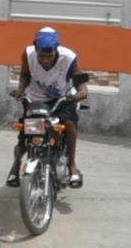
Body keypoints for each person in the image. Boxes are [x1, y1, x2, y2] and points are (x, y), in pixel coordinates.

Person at [6, 26, 87, 189]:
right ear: (36, 48)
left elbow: (78, 77)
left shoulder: (68, 57)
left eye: (49, 56)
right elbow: (25, 75)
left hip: (62, 99)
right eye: (41, 56)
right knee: (26, 132)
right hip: (36, 99)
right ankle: (15, 164)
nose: (45, 60)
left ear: (56, 50)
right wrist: (21, 90)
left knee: (69, 124)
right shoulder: (28, 54)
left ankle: (72, 165)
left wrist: (81, 90)